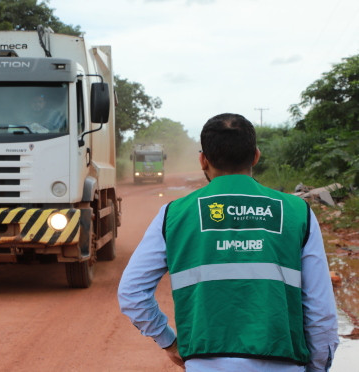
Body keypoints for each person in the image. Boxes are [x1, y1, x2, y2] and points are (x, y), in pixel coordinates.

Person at [118, 113, 339, 371]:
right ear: (256, 156)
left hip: (205, 363)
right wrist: (316, 366)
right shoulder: (298, 212)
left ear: (202, 160)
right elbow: (321, 313)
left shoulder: (172, 215)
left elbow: (131, 293)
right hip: (284, 362)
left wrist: (169, 341)